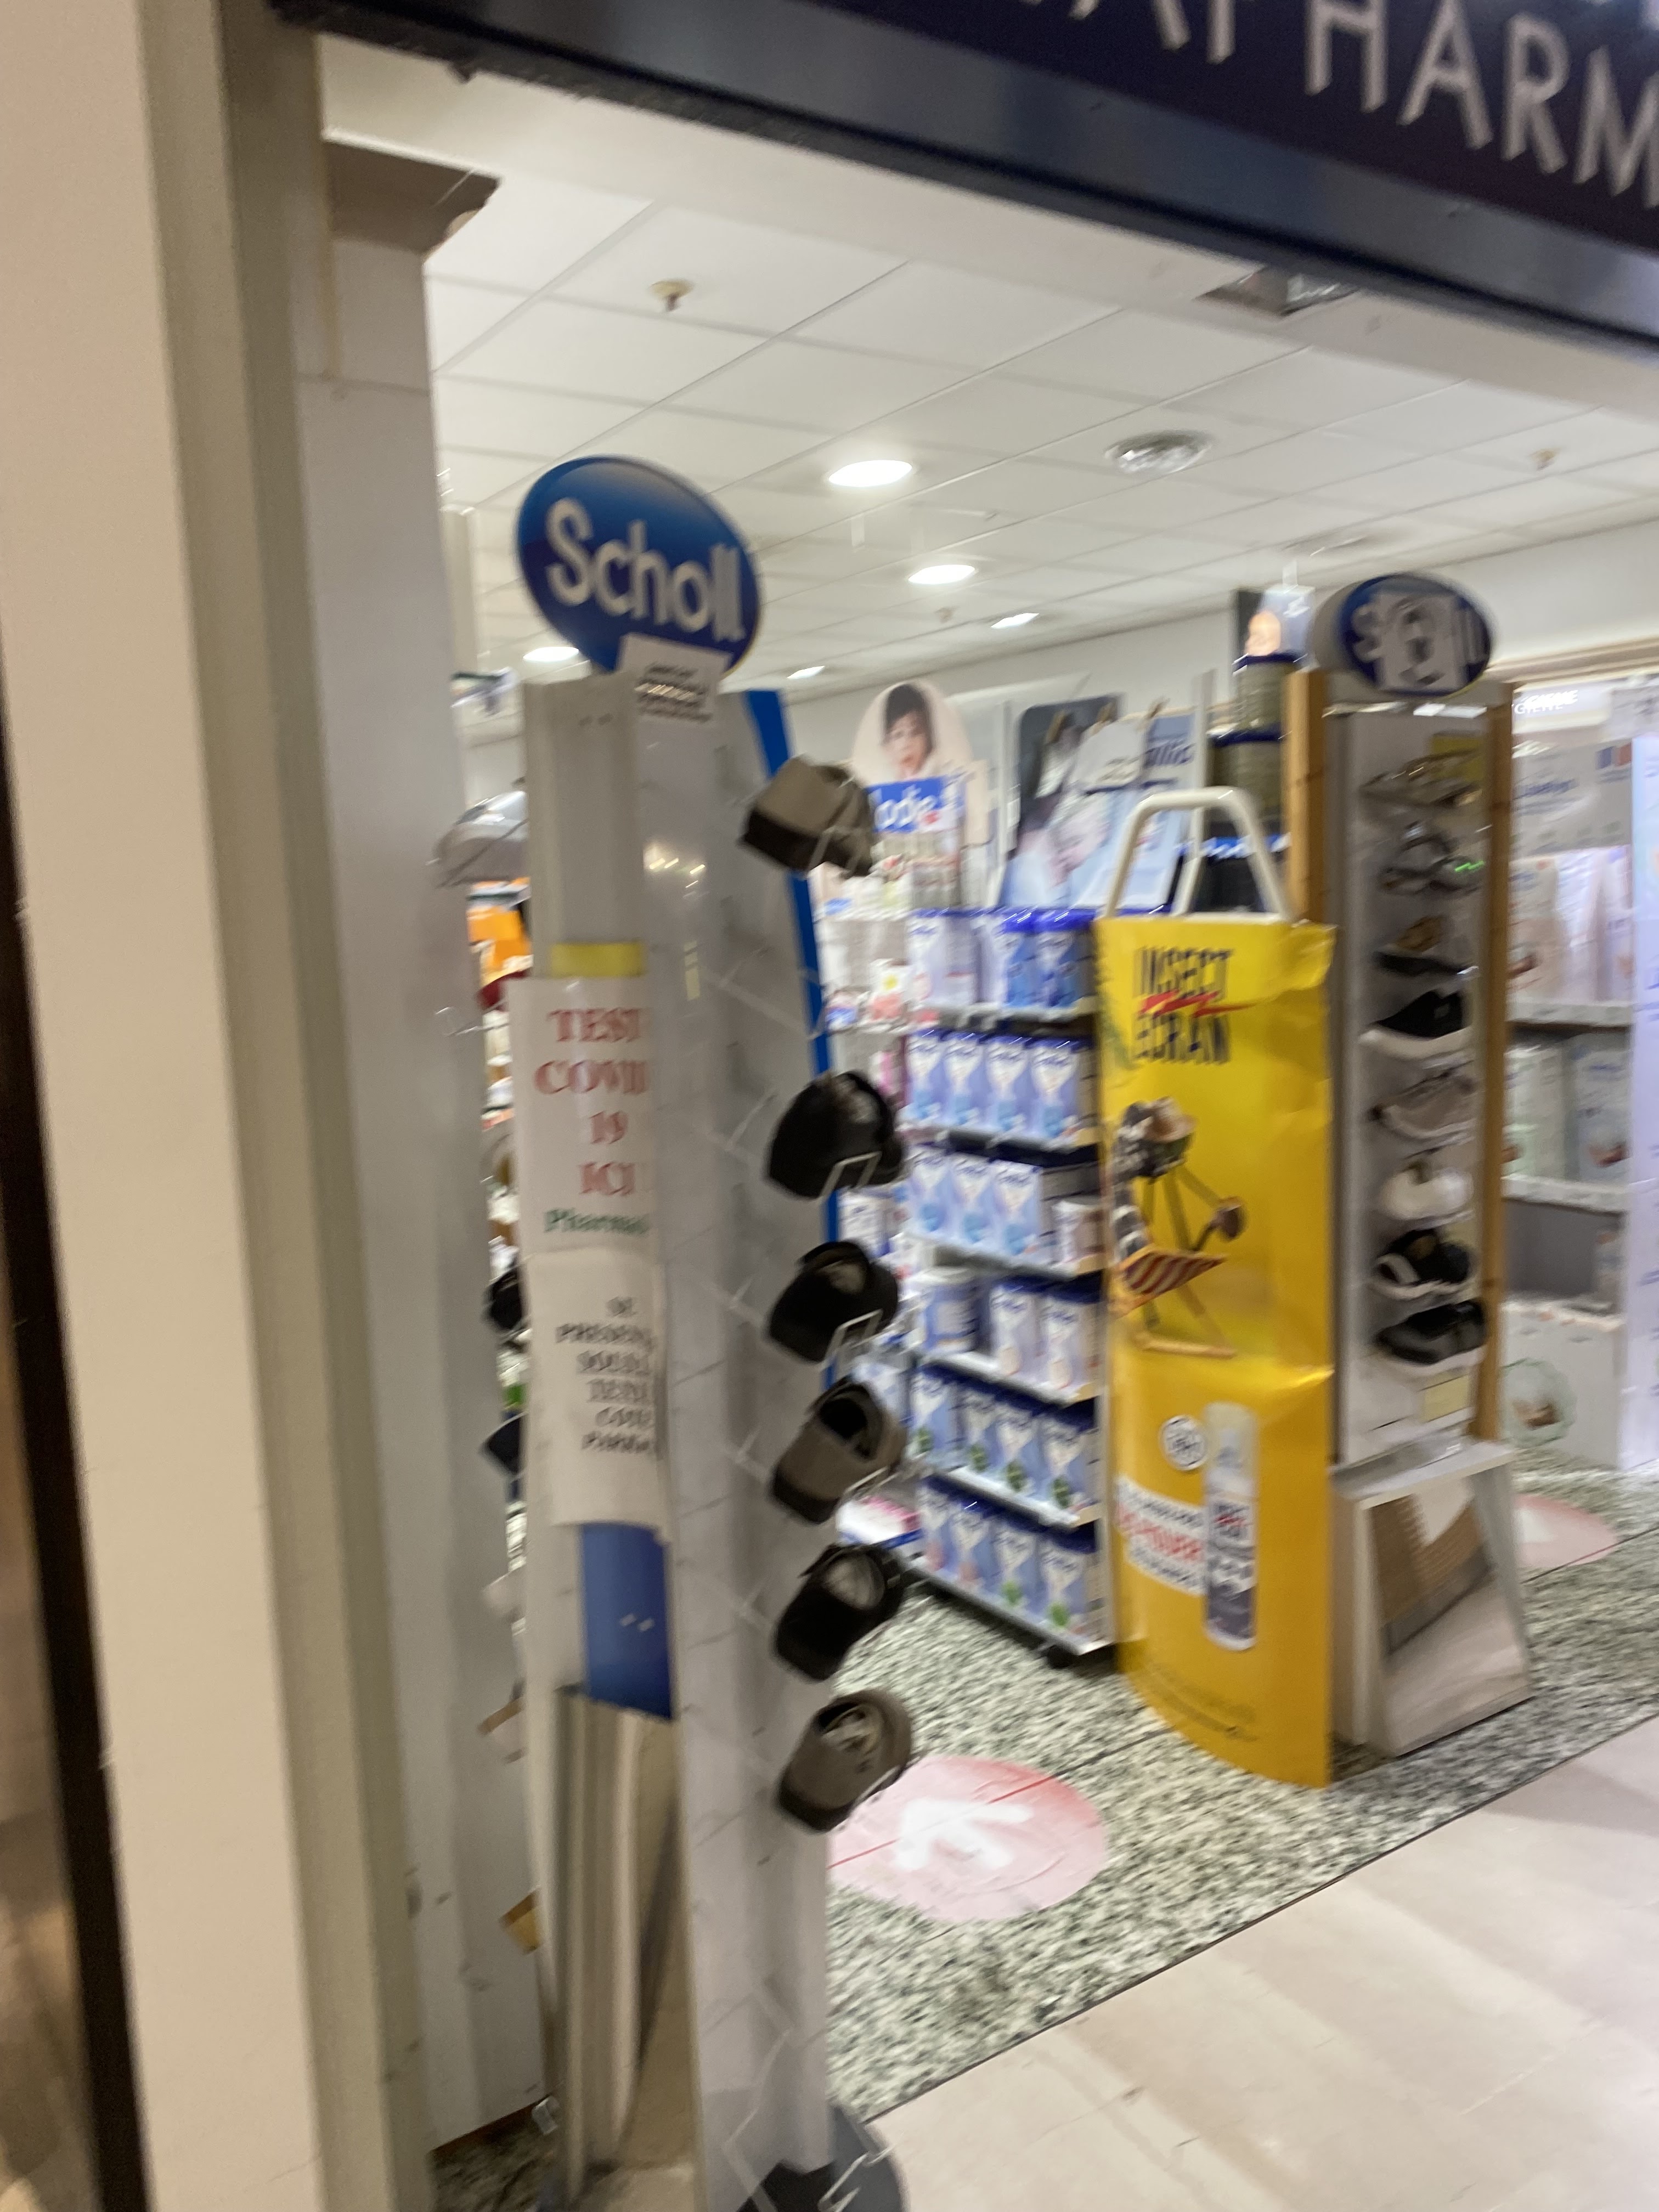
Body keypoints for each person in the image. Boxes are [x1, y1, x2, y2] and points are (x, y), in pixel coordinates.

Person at [881, 682, 935, 778]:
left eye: (915, 732)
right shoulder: (884, 782)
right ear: (887, 746)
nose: (907, 744)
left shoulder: (938, 778)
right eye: (898, 735)